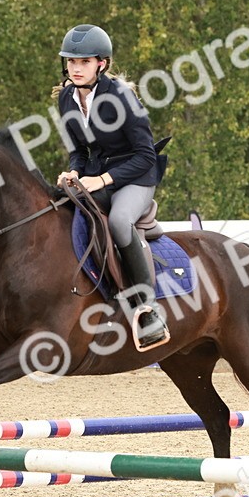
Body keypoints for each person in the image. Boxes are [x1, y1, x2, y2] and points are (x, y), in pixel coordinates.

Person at [55, 23, 169, 351]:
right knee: (59, 208)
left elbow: (145, 155)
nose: (76, 68)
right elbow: (78, 150)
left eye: (84, 62)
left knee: (119, 221)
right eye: (71, 62)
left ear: (101, 64)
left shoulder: (121, 97)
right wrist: (73, 172)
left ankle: (148, 310)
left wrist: (102, 180)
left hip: (136, 176)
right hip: (95, 176)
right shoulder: (66, 97)